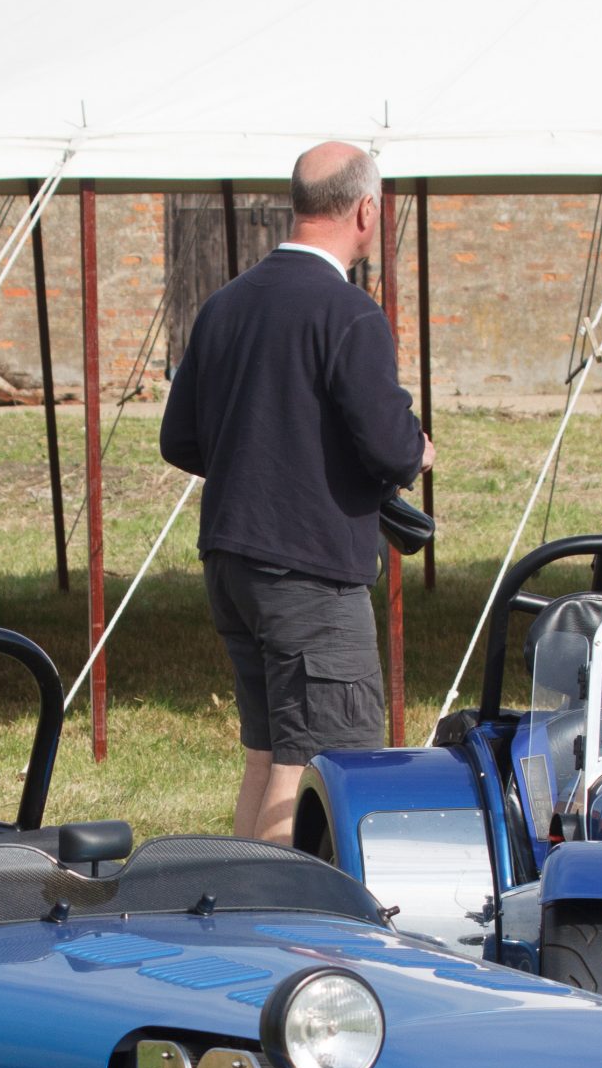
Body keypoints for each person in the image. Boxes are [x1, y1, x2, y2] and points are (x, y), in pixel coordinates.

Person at [160, 141, 432, 843]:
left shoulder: (225, 305)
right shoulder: (349, 313)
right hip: (309, 575)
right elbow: (389, 445)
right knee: (315, 756)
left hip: (231, 559)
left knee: (268, 755)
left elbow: (179, 439)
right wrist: (419, 449)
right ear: (366, 209)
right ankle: (277, 929)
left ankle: (242, 910)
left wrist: (257, 460)